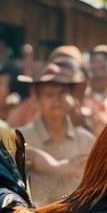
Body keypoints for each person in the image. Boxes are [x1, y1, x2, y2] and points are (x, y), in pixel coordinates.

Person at [19, 58, 97, 204]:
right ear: (37, 98)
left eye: (62, 93)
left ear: (72, 97)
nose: (57, 99)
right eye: (49, 94)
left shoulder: (87, 141)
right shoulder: (20, 137)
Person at [5, 46, 83, 127]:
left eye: (68, 66)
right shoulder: (23, 110)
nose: (60, 71)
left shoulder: (87, 108)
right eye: (50, 94)